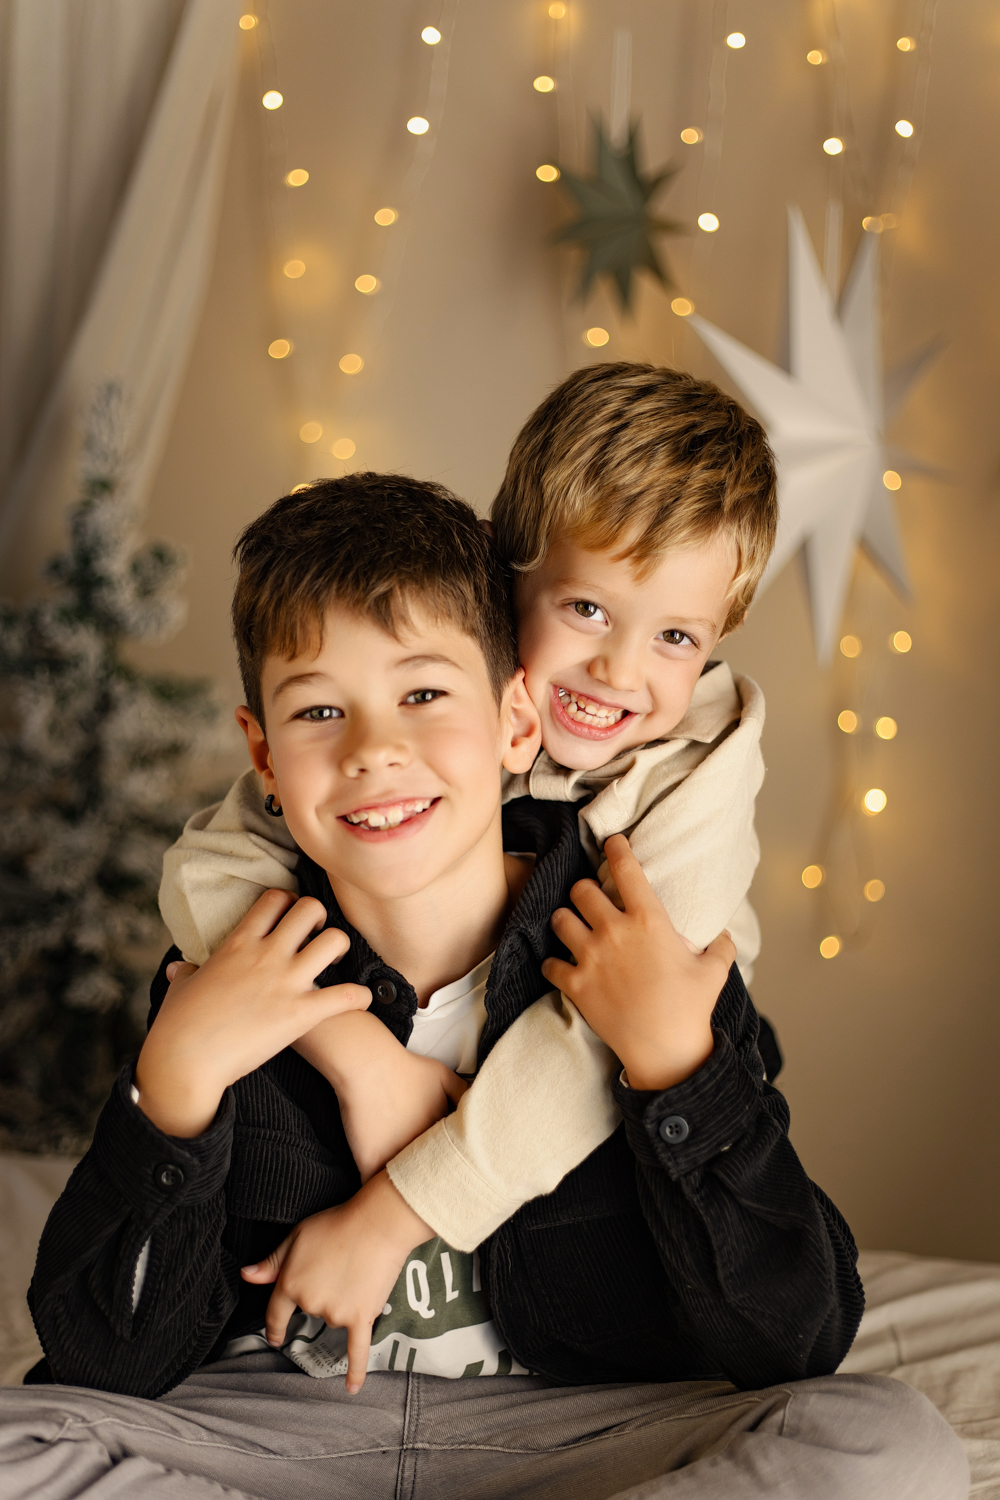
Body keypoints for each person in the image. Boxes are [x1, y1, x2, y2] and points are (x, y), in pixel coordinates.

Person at [1, 475, 966, 1499]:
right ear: (264, 759)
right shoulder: (234, 967)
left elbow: (796, 1336)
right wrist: (178, 1082)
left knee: (883, 1439)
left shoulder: (639, 950)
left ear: (516, 724)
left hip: (588, 1425)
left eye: (423, 694)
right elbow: (107, 1360)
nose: (374, 750)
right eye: (320, 710)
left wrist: (680, 1070)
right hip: (276, 1430)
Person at [158, 365, 779, 1259]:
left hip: (613, 1083)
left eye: (676, 636)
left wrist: (397, 1217)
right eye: (588, 609)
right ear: (498, 572)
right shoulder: (442, 710)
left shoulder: (700, 778)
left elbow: (600, 1043)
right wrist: (354, 1051)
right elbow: (210, 868)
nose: (619, 670)